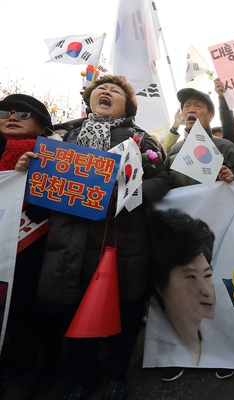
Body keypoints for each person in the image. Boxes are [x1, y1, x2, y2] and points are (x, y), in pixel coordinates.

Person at [16, 75, 170, 400]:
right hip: (69, 240)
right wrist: (28, 173)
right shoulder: (62, 137)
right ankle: (82, 377)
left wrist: (130, 196)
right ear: (89, 99)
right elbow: (41, 197)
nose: (106, 91)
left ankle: (117, 377)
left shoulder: (142, 140)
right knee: (72, 306)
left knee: (124, 310)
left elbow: (163, 179)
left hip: (121, 240)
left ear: (128, 105)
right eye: (100, 88)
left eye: (115, 90)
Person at [0, 94, 62, 397]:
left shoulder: (53, 156)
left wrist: (35, 174)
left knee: (25, 310)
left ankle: (24, 371)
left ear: (40, 126)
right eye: (5, 111)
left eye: (23, 113)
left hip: (33, 247)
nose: (12, 116)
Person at [144, 208, 215, 368]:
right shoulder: (158, 352)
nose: (206, 291)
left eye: (207, 275)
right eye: (190, 277)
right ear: (161, 286)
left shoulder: (221, 338)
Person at [165, 86, 234, 188]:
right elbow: (165, 186)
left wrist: (233, 178)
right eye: (186, 106)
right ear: (182, 115)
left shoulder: (225, 147)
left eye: (198, 106)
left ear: (210, 116)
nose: (191, 110)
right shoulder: (174, 151)